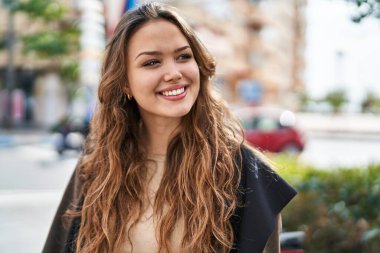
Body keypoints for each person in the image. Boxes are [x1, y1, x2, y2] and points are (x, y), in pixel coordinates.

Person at [43, 2, 296, 253]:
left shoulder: (247, 175)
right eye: (152, 62)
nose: (174, 73)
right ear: (125, 84)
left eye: (183, 56)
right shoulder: (95, 168)